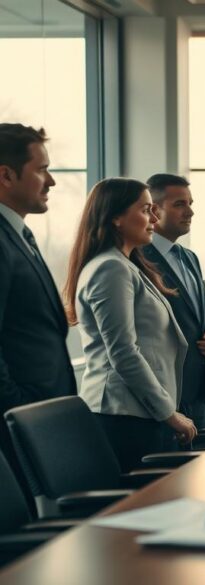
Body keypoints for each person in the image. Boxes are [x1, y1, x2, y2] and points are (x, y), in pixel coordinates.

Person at [65, 178, 196, 472]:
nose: (154, 218)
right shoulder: (110, 268)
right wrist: (169, 414)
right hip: (124, 416)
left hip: (140, 412)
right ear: (116, 217)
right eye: (146, 209)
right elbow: (123, 352)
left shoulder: (126, 265)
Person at [0, 124, 76, 498]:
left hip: (40, 413)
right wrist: (16, 405)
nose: (51, 182)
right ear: (6, 175)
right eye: (42, 169)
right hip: (18, 419)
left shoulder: (19, 235)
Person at [142, 173, 205, 432]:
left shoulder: (189, 257)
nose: (190, 212)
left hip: (198, 388)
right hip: (165, 392)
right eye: (180, 204)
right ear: (154, 210)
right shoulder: (138, 257)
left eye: (190, 203)